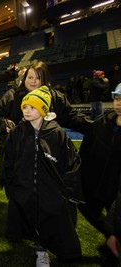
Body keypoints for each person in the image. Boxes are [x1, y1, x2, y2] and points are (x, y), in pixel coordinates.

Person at [0, 85, 83, 266]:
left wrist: (67, 190)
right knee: (31, 221)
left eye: (31, 107)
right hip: (25, 189)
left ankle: (55, 249)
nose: (26, 111)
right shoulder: (18, 132)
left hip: (51, 192)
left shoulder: (57, 134)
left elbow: (72, 162)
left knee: (54, 223)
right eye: (24, 107)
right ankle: (40, 251)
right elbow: (8, 157)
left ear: (43, 109)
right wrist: (9, 181)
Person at [0, 60, 91, 162]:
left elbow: (72, 116)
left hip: (45, 156)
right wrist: (7, 125)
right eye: (30, 77)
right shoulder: (11, 96)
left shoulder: (54, 97)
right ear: (25, 78)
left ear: (44, 80)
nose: (33, 81)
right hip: (17, 156)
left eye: (38, 78)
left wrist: (96, 126)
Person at [79, 83, 121, 262]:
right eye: (117, 98)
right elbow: (86, 151)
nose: (119, 103)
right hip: (99, 183)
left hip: (117, 191)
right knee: (85, 206)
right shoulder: (103, 122)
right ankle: (113, 237)